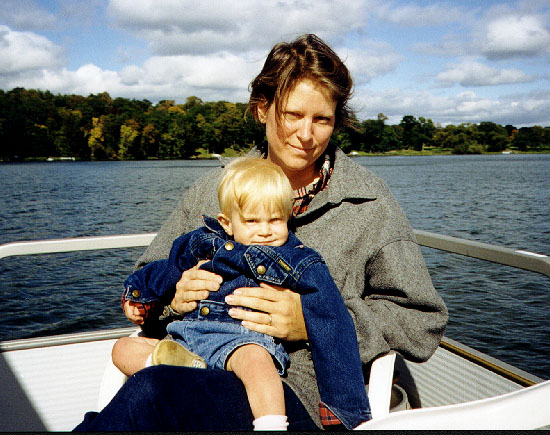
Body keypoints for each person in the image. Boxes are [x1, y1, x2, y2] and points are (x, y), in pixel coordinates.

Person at [74, 33, 447, 432]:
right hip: (196, 362)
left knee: (153, 394)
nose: (306, 134)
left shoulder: (369, 203)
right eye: (293, 115)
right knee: (148, 393)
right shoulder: (211, 191)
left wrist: (312, 322)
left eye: (322, 119)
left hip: (303, 399)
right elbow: (145, 286)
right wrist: (173, 299)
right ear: (262, 109)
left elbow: (421, 321)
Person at [111, 157, 371, 430]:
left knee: (257, 364)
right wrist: (140, 295)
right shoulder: (203, 241)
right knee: (123, 349)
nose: (265, 231)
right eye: (252, 220)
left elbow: (332, 320)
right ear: (226, 223)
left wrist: (342, 406)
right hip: (186, 336)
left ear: (288, 217)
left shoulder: (298, 260)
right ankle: (181, 364)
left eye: (275, 219)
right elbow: (167, 268)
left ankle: (271, 425)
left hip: (242, 339)